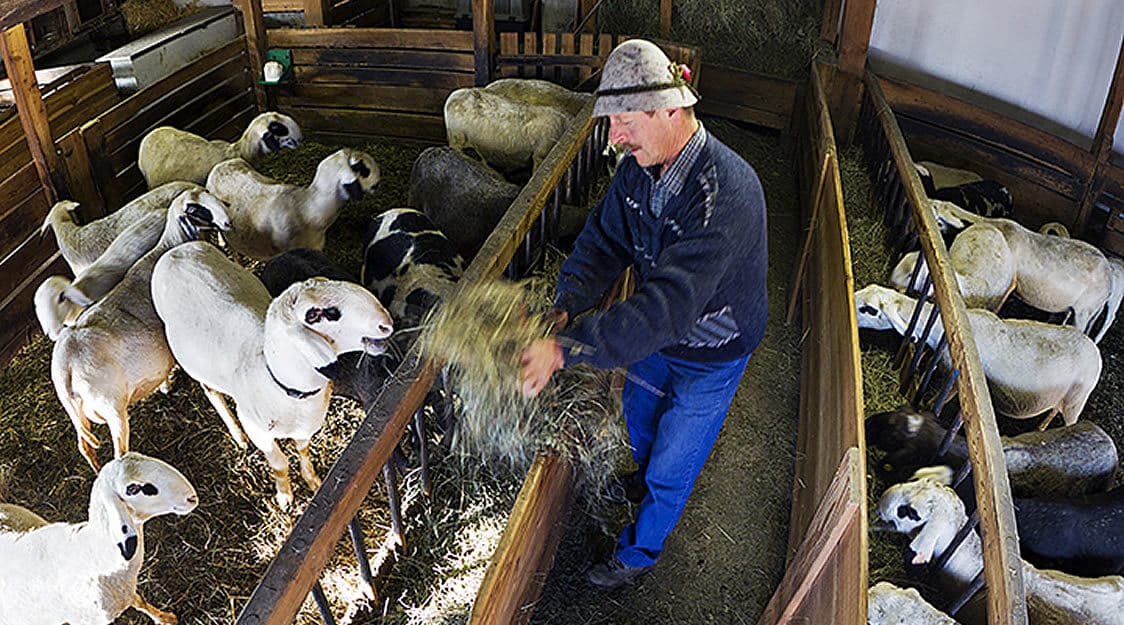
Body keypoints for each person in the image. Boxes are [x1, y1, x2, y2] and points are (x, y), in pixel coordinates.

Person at [518, 38, 769, 590]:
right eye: (611, 122)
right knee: (640, 414)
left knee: (676, 461)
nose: (615, 137)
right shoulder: (639, 167)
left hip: (712, 349)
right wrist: (565, 306)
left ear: (671, 110)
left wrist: (565, 349)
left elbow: (665, 308)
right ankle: (645, 475)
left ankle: (639, 554)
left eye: (625, 120)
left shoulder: (724, 195)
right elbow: (604, 240)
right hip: (661, 337)